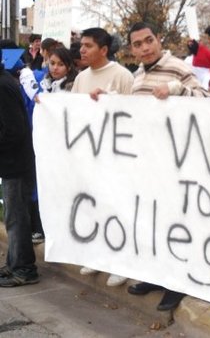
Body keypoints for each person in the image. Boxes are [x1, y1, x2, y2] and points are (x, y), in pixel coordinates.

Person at [89, 21, 207, 311]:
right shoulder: (138, 76)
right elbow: (134, 111)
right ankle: (156, 276)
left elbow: (206, 101)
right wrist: (108, 100)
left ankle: (177, 284)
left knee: (175, 223)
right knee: (153, 221)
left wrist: (177, 89)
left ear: (158, 39)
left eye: (148, 40)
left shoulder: (178, 68)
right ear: (132, 49)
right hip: (147, 164)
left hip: (176, 163)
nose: (144, 48)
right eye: (137, 44)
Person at [71, 27, 134, 287]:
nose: (82, 50)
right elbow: (72, 113)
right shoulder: (81, 78)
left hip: (117, 157)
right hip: (91, 156)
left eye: (88, 46)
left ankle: (122, 262)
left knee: (118, 208)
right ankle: (98, 256)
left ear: (104, 49)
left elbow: (134, 113)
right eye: (81, 45)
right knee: (95, 206)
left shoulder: (122, 76)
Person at [0, 47, 39, 287]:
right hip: (12, 163)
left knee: (17, 218)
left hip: (16, 164)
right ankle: (14, 263)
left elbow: (14, 130)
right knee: (12, 217)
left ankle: (24, 268)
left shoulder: (3, 85)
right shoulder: (4, 81)